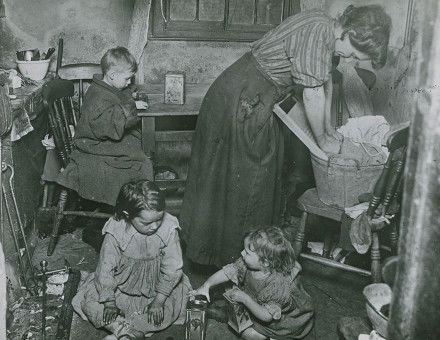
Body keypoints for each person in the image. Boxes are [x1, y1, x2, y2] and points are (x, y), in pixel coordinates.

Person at [180, 5, 391, 267]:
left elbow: (321, 85)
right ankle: (234, 262)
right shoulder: (317, 31)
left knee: (254, 179)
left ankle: (249, 260)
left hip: (254, 96)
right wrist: (324, 140)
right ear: (350, 32)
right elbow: (312, 93)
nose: (350, 58)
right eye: (354, 53)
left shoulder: (324, 28)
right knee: (246, 182)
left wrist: (328, 133)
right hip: (244, 99)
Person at [72, 180, 192, 339]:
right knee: (89, 302)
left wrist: (158, 302)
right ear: (128, 215)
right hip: (120, 289)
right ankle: (125, 330)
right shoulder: (116, 229)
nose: (155, 226)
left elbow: (173, 269)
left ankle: (125, 330)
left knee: (173, 306)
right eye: (146, 222)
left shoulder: (168, 228)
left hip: (156, 291)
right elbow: (106, 269)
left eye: (159, 219)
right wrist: (109, 302)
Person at [57, 47, 153, 206]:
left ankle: (138, 204)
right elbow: (108, 126)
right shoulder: (98, 97)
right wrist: (132, 105)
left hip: (100, 143)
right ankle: (137, 205)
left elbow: (119, 96)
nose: (129, 83)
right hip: (93, 147)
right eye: (128, 79)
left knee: (139, 153)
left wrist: (131, 95)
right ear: (113, 75)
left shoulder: (106, 86)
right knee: (138, 162)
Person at [191, 226, 314, 339]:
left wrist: (245, 299)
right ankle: (230, 314)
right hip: (258, 301)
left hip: (282, 324)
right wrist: (206, 285)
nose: (242, 253)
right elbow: (227, 272)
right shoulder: (249, 263)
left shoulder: (277, 284)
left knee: (246, 333)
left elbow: (267, 317)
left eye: (247, 253)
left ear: (265, 262)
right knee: (229, 288)